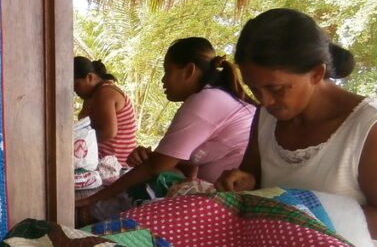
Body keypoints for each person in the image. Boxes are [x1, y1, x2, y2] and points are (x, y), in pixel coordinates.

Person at [216, 8, 377, 245]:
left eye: (276, 88)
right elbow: (256, 184)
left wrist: (292, 208)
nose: (265, 101)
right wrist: (244, 185)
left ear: (316, 73)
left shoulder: (369, 127)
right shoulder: (267, 116)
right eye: (254, 89)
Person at [76, 37, 256, 217]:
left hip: (232, 206)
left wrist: (93, 199)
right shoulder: (214, 98)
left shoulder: (205, 101)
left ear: (189, 71)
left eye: (167, 71)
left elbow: (155, 167)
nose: (163, 80)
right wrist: (151, 157)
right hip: (221, 199)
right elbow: (181, 167)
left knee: (115, 209)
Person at [73, 57, 138, 167]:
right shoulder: (93, 95)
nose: (75, 90)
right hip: (106, 160)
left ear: (89, 77)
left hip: (115, 164)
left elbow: (108, 132)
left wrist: (75, 142)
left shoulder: (105, 93)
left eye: (76, 85)